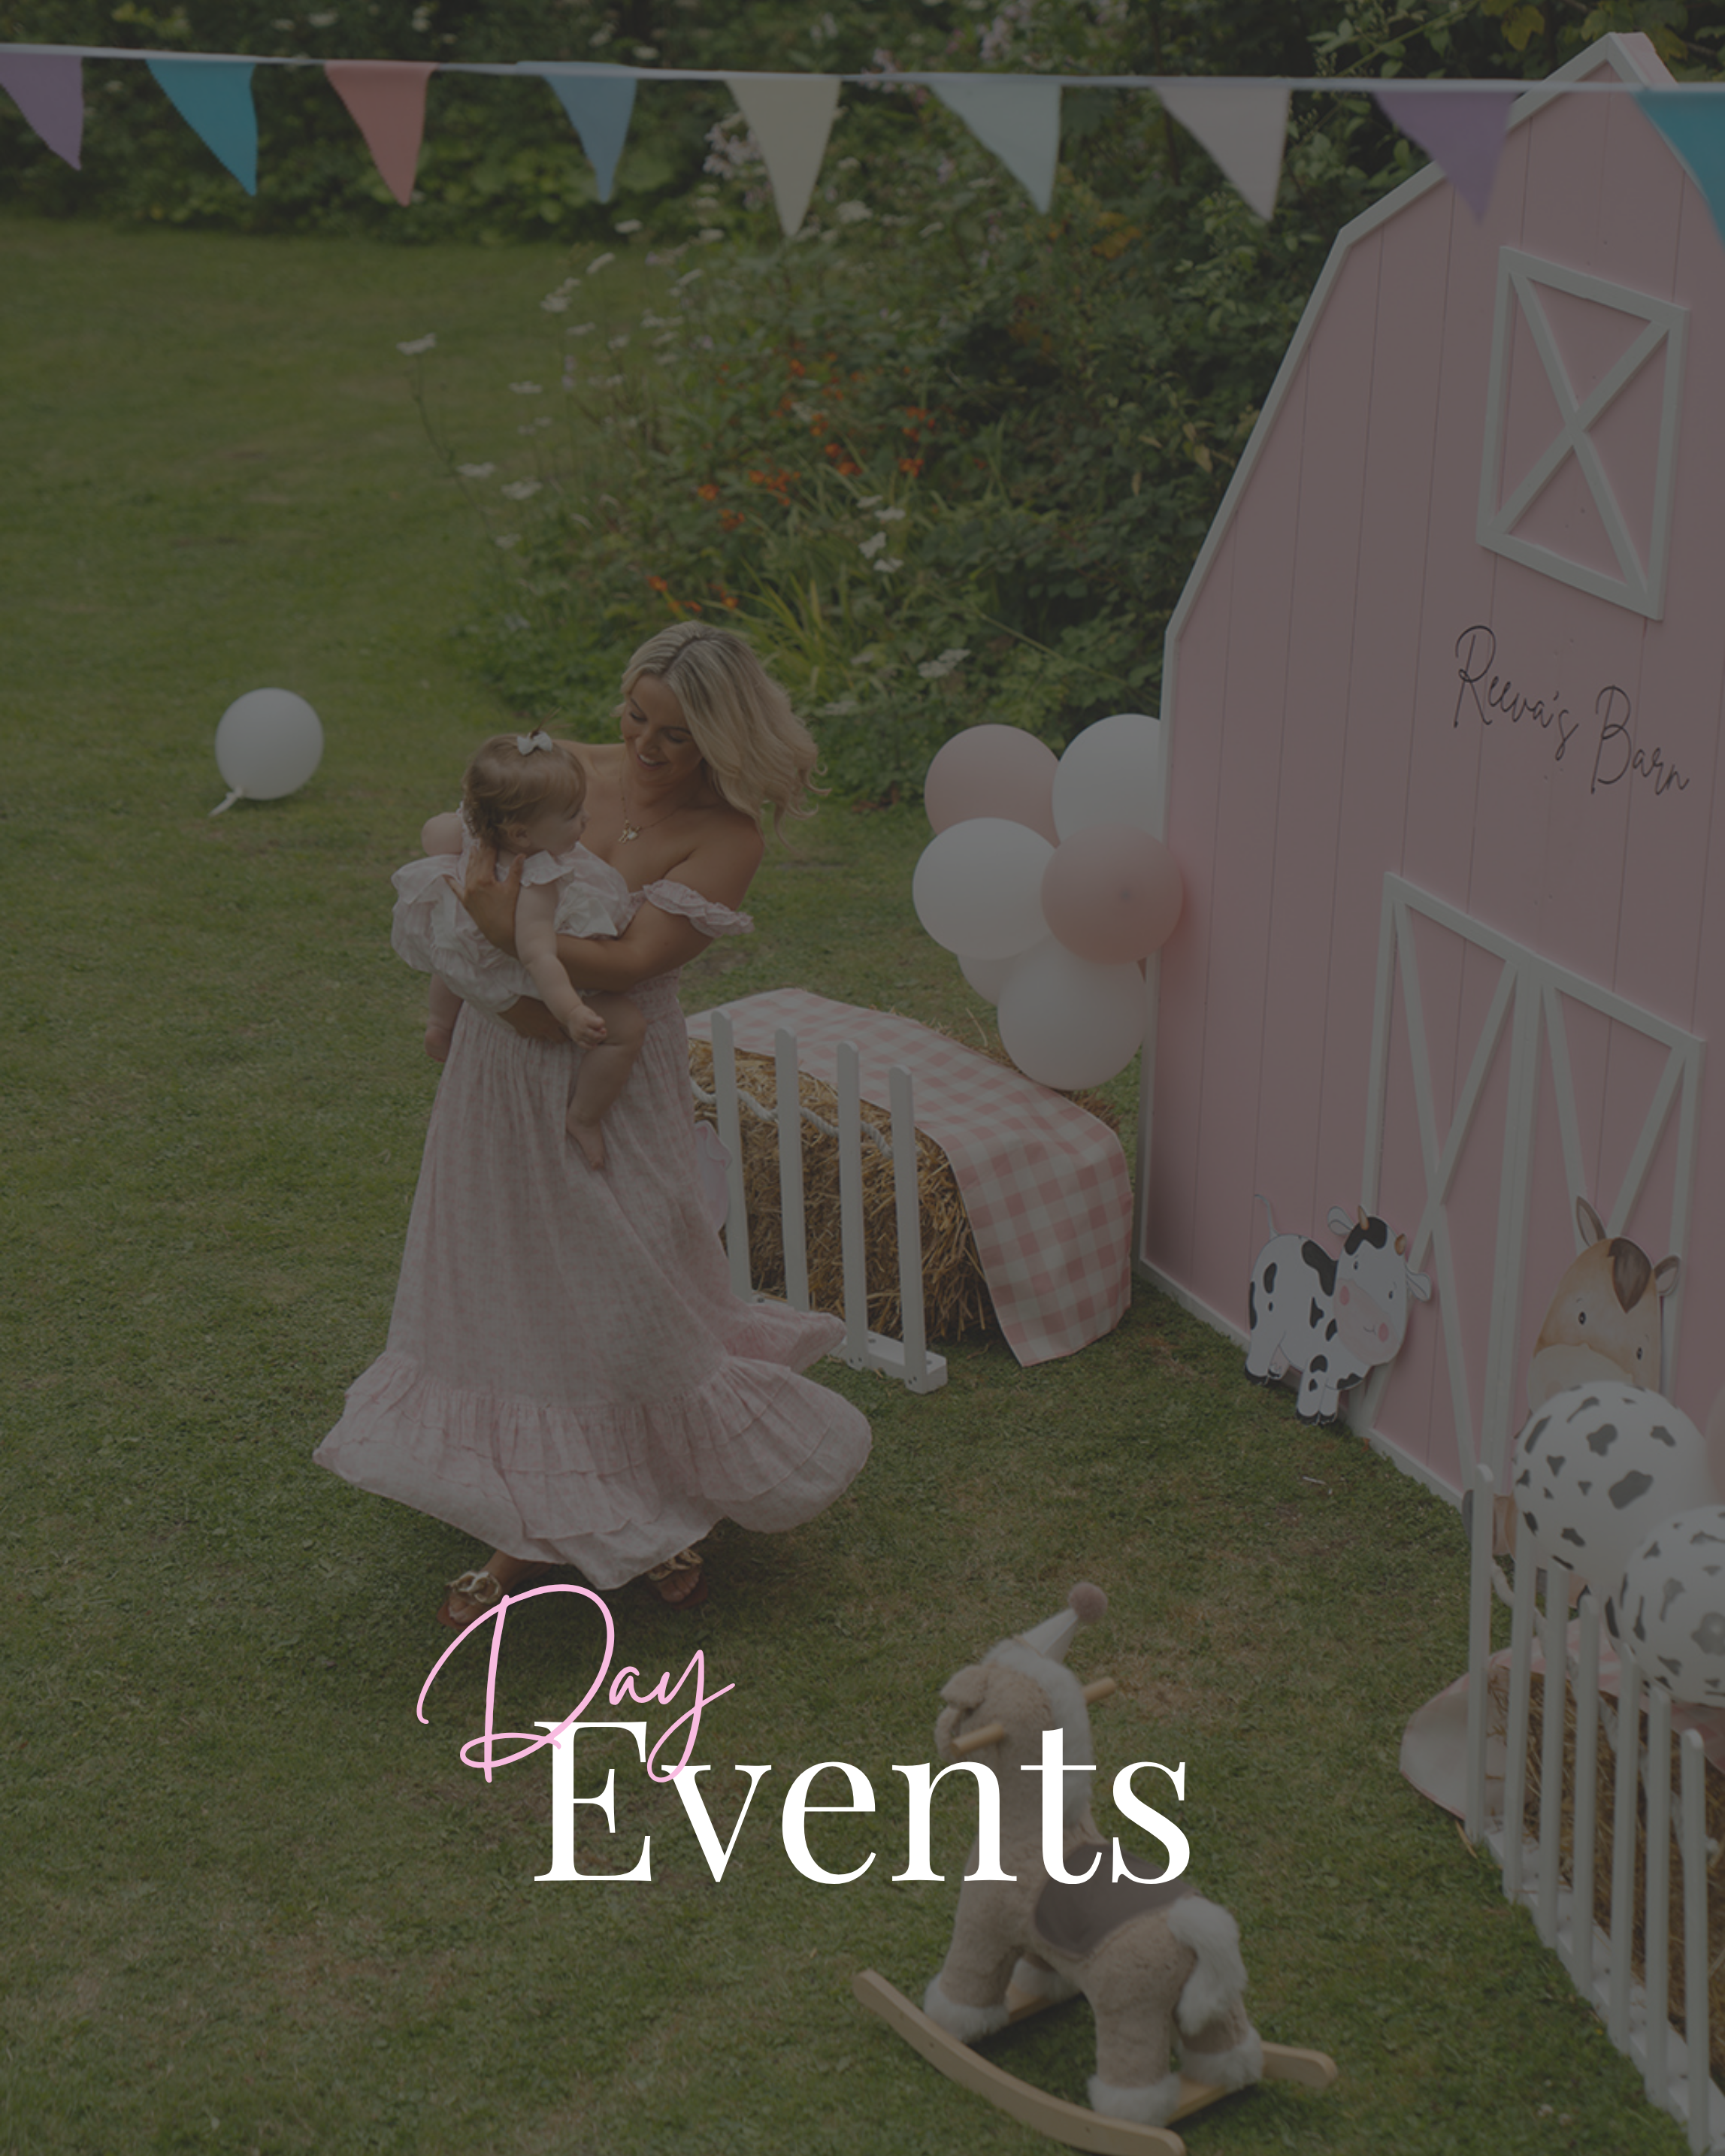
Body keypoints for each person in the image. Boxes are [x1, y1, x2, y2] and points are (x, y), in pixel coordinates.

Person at [315, 622, 871, 1623]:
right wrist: (480, 977)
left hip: (612, 1067)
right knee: (509, 1272)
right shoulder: (561, 772)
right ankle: (518, 1506)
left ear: (720, 738)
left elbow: (632, 963)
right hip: (505, 1059)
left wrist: (503, 930)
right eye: (636, 717)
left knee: (629, 1271)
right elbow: (463, 866)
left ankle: (655, 1494)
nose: (645, 748)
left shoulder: (726, 835)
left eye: (675, 736)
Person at [391, 728, 644, 1169]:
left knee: (452, 952)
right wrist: (571, 1012)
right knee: (628, 1025)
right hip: (516, 969)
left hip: (463, 944)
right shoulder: (539, 879)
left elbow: (433, 836)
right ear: (522, 835)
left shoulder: (474, 836)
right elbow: (538, 954)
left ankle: (439, 1023)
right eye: (571, 815)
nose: (585, 819)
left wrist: (463, 821)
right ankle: (584, 1117)